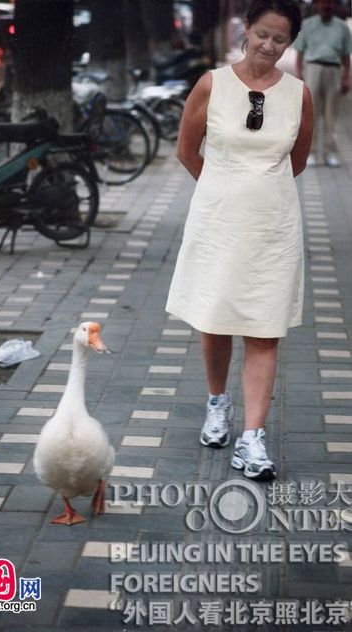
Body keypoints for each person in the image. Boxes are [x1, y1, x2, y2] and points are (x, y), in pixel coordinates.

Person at [166, 0, 313, 481]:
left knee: (265, 327)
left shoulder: (299, 94)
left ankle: (252, 439)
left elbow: (298, 159)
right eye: (263, 35)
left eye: (281, 40)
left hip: (274, 226)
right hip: (217, 222)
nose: (270, 46)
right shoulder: (212, 83)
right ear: (245, 29)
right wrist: (224, 188)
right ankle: (217, 403)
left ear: (290, 43)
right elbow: (187, 151)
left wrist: (259, 189)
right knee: (215, 319)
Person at [294, 0, 352, 167]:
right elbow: (299, 52)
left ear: (333, 5)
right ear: (316, 5)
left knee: (331, 114)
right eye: (322, 2)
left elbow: (346, 55)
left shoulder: (342, 27)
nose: (326, 6)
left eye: (329, 3)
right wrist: (299, 74)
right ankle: (310, 153)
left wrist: (346, 76)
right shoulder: (307, 25)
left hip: (334, 69)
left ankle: (330, 153)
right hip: (312, 68)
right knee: (311, 114)